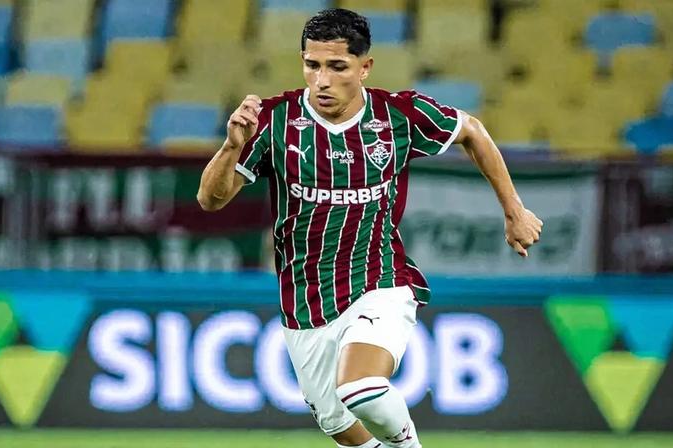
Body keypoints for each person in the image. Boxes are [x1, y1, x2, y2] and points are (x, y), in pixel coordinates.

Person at [198, 8, 543, 448]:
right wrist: (231, 146)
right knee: (340, 427)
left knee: (358, 387)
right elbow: (210, 200)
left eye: (337, 67)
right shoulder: (273, 121)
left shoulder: (397, 116)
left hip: (380, 280)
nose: (321, 80)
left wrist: (513, 210)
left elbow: (471, 131)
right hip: (306, 300)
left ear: (365, 67)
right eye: (312, 65)